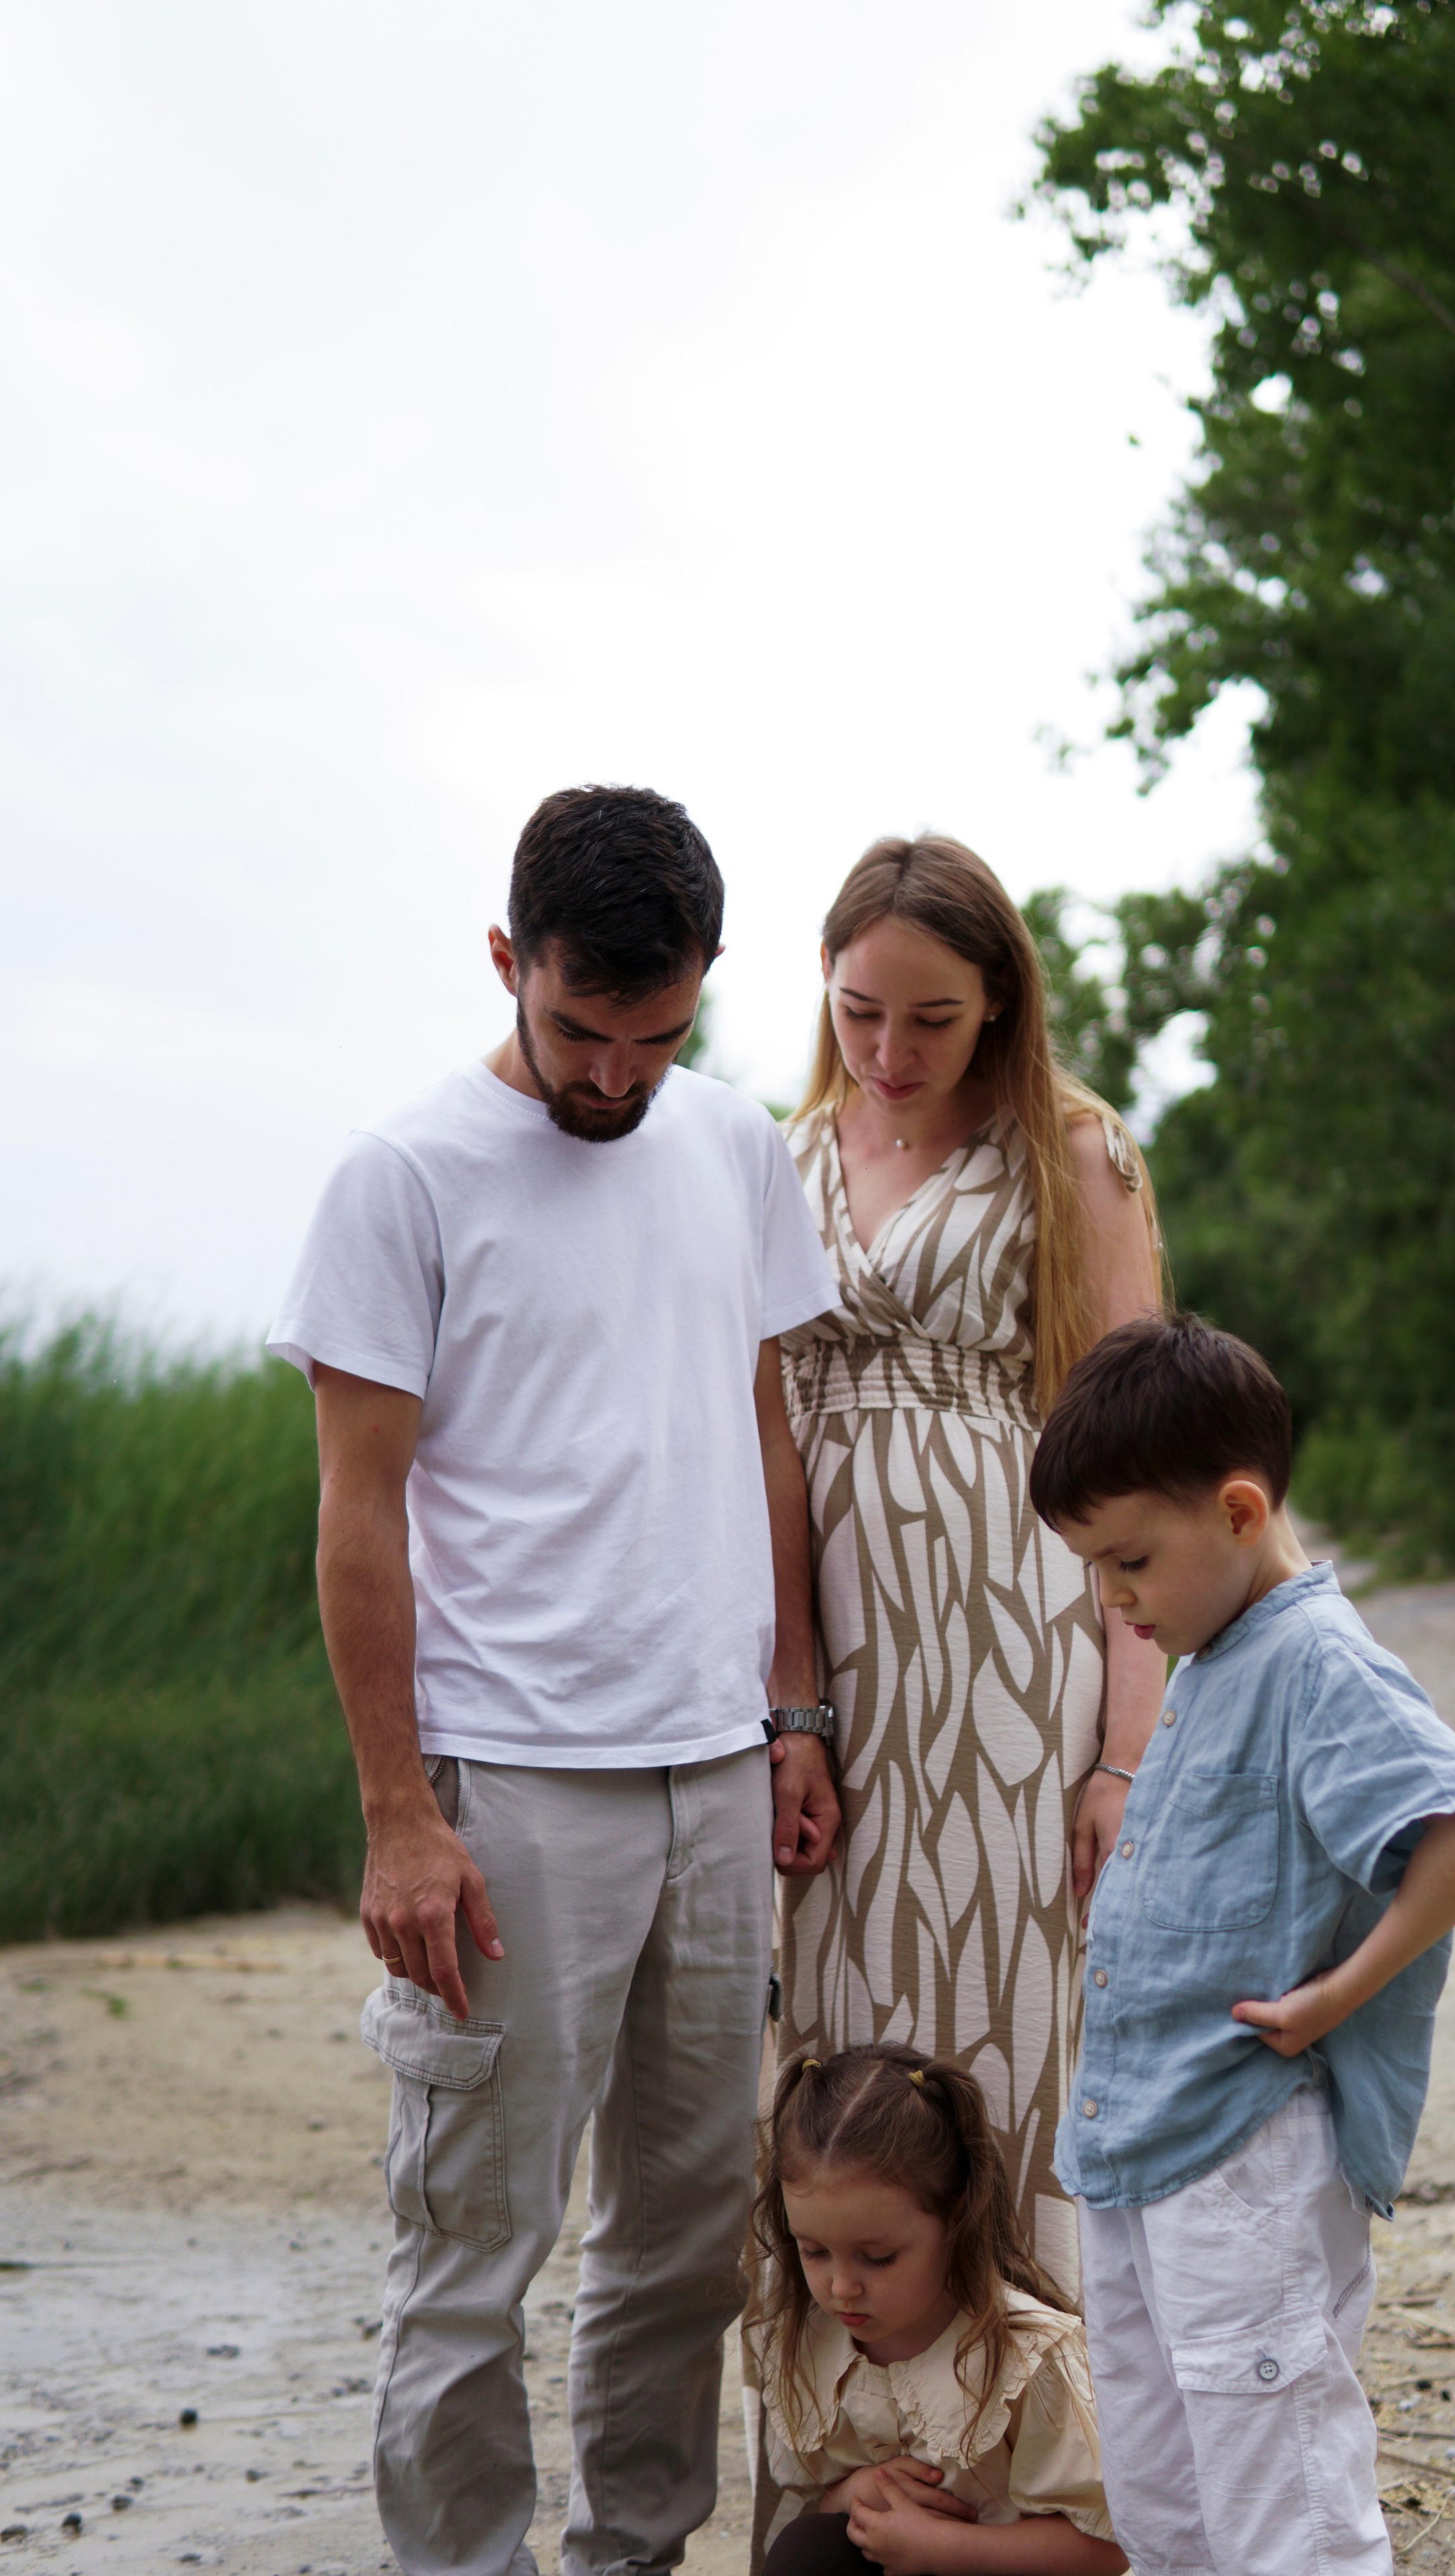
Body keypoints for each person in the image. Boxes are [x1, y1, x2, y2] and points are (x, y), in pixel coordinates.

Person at [266, 786, 842, 2576]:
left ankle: (633, 2559)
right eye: (581, 1030)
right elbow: (359, 1518)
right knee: (473, 2246)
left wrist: (794, 1706)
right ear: (509, 962)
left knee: (680, 2241)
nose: (614, 1075)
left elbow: (761, 1431)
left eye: (656, 1037)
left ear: (706, 993)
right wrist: (400, 1818)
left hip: (718, 1779)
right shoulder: (404, 1176)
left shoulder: (736, 1149)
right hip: (510, 1790)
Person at [1028, 1312, 1455, 2576]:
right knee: (1162, 2487)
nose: (1113, 1597)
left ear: (1241, 1513)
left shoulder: (1315, 1659)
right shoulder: (1214, 1644)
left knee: (1279, 2492)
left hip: (1245, 2153)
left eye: (1130, 1560)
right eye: (1096, 1566)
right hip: (1144, 2143)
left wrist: (1338, 1997)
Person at [776, 835, 1166, 2286]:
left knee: (1012, 2012)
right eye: (857, 1010)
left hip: (1013, 1653)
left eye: (931, 1018)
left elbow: (1143, 1463)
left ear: (999, 1000)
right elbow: (759, 1436)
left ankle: (1031, 2453)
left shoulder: (1069, 1153)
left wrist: (1123, 1757)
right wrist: (788, 1704)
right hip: (840, 1663)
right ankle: (851, 2453)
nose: (887, 1050)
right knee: (837, 2022)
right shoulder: (786, 1158)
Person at [747, 2043, 1124, 2576]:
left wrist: (942, 2549)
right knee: (803, 2550)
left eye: (878, 2258)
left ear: (957, 2220)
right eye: (814, 2251)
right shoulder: (812, 2342)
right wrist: (859, 2492)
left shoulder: (1029, 2359)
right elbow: (820, 2503)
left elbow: (1107, 2548)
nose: (842, 2287)